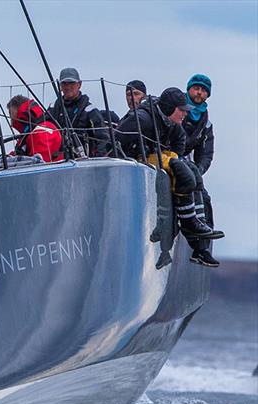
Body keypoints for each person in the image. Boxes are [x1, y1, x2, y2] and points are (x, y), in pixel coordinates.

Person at [118, 87, 223, 244]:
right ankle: (188, 224)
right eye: (181, 110)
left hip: (155, 156)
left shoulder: (172, 122)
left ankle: (197, 222)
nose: (185, 114)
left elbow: (180, 140)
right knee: (182, 171)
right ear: (169, 108)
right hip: (137, 161)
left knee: (191, 170)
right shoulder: (143, 119)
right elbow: (116, 142)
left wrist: (172, 156)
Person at [182, 74, 219, 267]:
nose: (199, 92)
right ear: (189, 89)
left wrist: (199, 170)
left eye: (204, 90)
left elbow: (206, 154)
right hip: (169, 158)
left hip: (188, 167)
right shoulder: (176, 108)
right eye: (196, 88)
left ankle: (202, 249)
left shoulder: (206, 122)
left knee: (204, 198)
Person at [49, 67, 110, 157]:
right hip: (57, 160)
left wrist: (97, 160)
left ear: (80, 84)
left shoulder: (90, 110)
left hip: (83, 161)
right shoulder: (53, 108)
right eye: (64, 83)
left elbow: (103, 138)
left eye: (71, 83)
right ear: (60, 86)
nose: (68, 87)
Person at [7, 95, 63, 163]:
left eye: (10, 115)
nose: (11, 122)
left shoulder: (41, 132)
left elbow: (39, 164)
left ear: (16, 111)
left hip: (53, 172)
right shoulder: (29, 133)